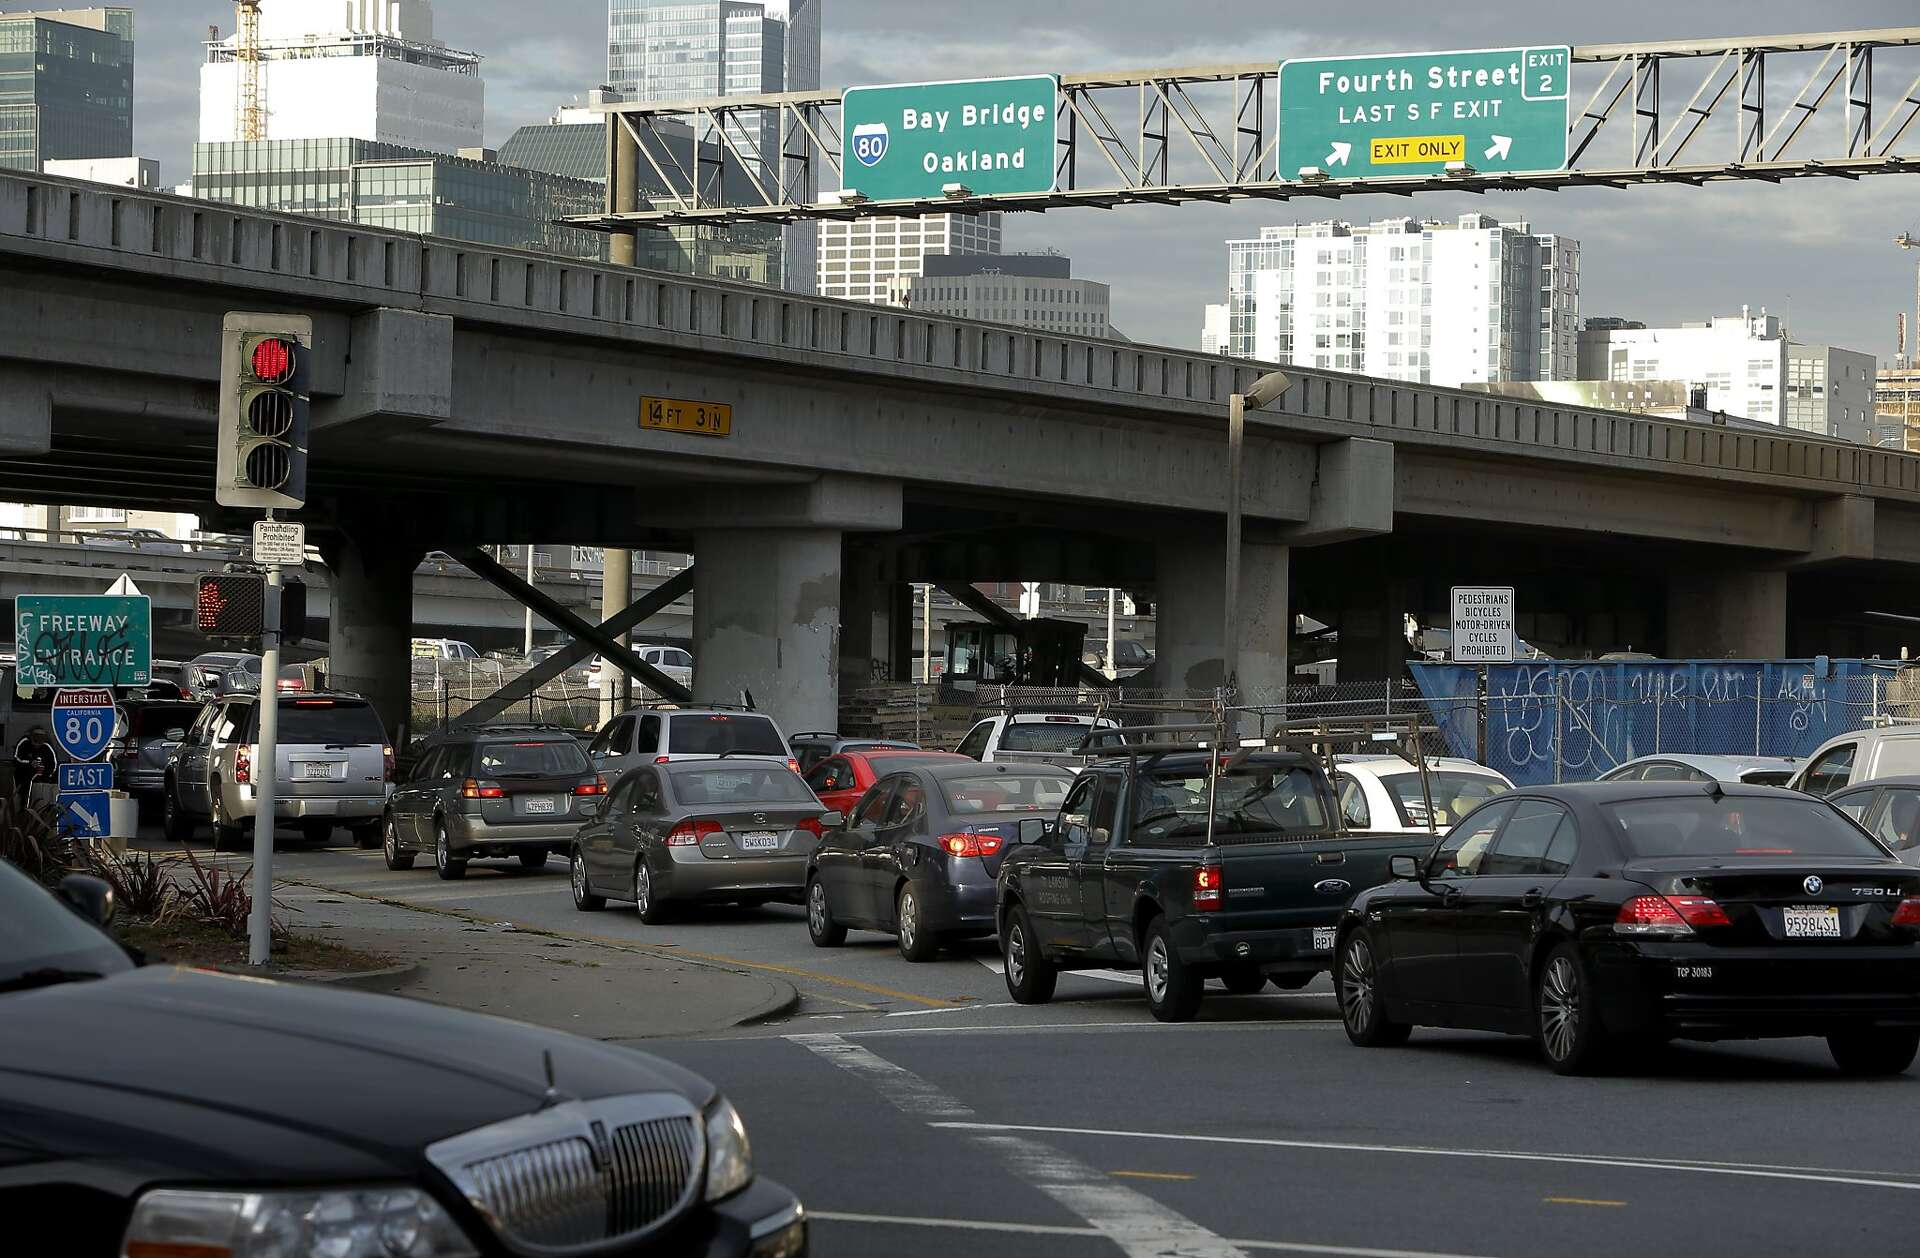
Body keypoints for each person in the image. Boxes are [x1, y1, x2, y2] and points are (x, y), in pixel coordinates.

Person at [12, 726, 56, 810]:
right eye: (35, 742)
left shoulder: (47, 747)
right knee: (22, 798)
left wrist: (46, 774)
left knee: (41, 799)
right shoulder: (24, 743)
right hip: (22, 778)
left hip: (41, 780)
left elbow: (53, 765)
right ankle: (22, 812)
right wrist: (29, 763)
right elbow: (16, 760)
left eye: (40, 743)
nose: (37, 745)